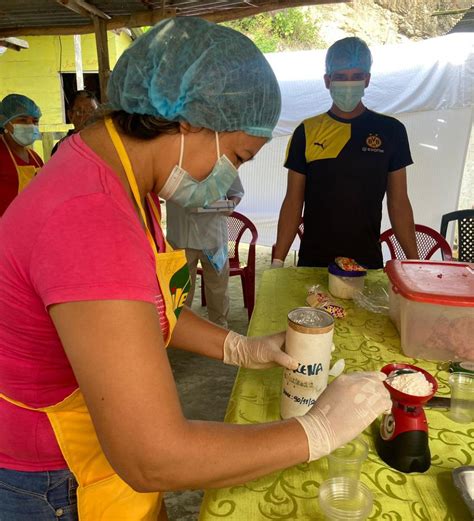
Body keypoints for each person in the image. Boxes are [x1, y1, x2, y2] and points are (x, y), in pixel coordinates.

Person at [0, 18, 390, 521]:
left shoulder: (117, 179)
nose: (229, 176)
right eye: (236, 157)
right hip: (54, 478)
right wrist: (316, 432)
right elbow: (153, 456)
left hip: (96, 438)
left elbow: (139, 310)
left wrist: (237, 346)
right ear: (190, 120)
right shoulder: (88, 218)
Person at [272, 37, 418, 269]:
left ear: (367, 80)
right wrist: (278, 260)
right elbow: (293, 201)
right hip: (314, 263)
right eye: (340, 77)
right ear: (327, 80)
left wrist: (414, 262)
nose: (348, 84)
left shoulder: (391, 131)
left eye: (356, 76)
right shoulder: (307, 131)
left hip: (366, 264)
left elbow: (399, 203)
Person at [166, 176, 244, 328]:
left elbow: (236, 191)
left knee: (218, 289)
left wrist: (231, 204)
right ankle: (181, 329)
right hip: (181, 237)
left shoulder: (223, 163)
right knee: (181, 290)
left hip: (214, 236)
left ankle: (219, 327)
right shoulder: (174, 158)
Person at [0, 94, 43, 216]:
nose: (30, 125)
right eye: (23, 120)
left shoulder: (36, 158)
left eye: (35, 121)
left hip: (29, 225)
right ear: (6, 122)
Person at [50, 89, 99, 155]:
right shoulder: (61, 147)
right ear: (70, 115)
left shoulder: (106, 142)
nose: (88, 117)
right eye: (81, 112)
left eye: (92, 111)